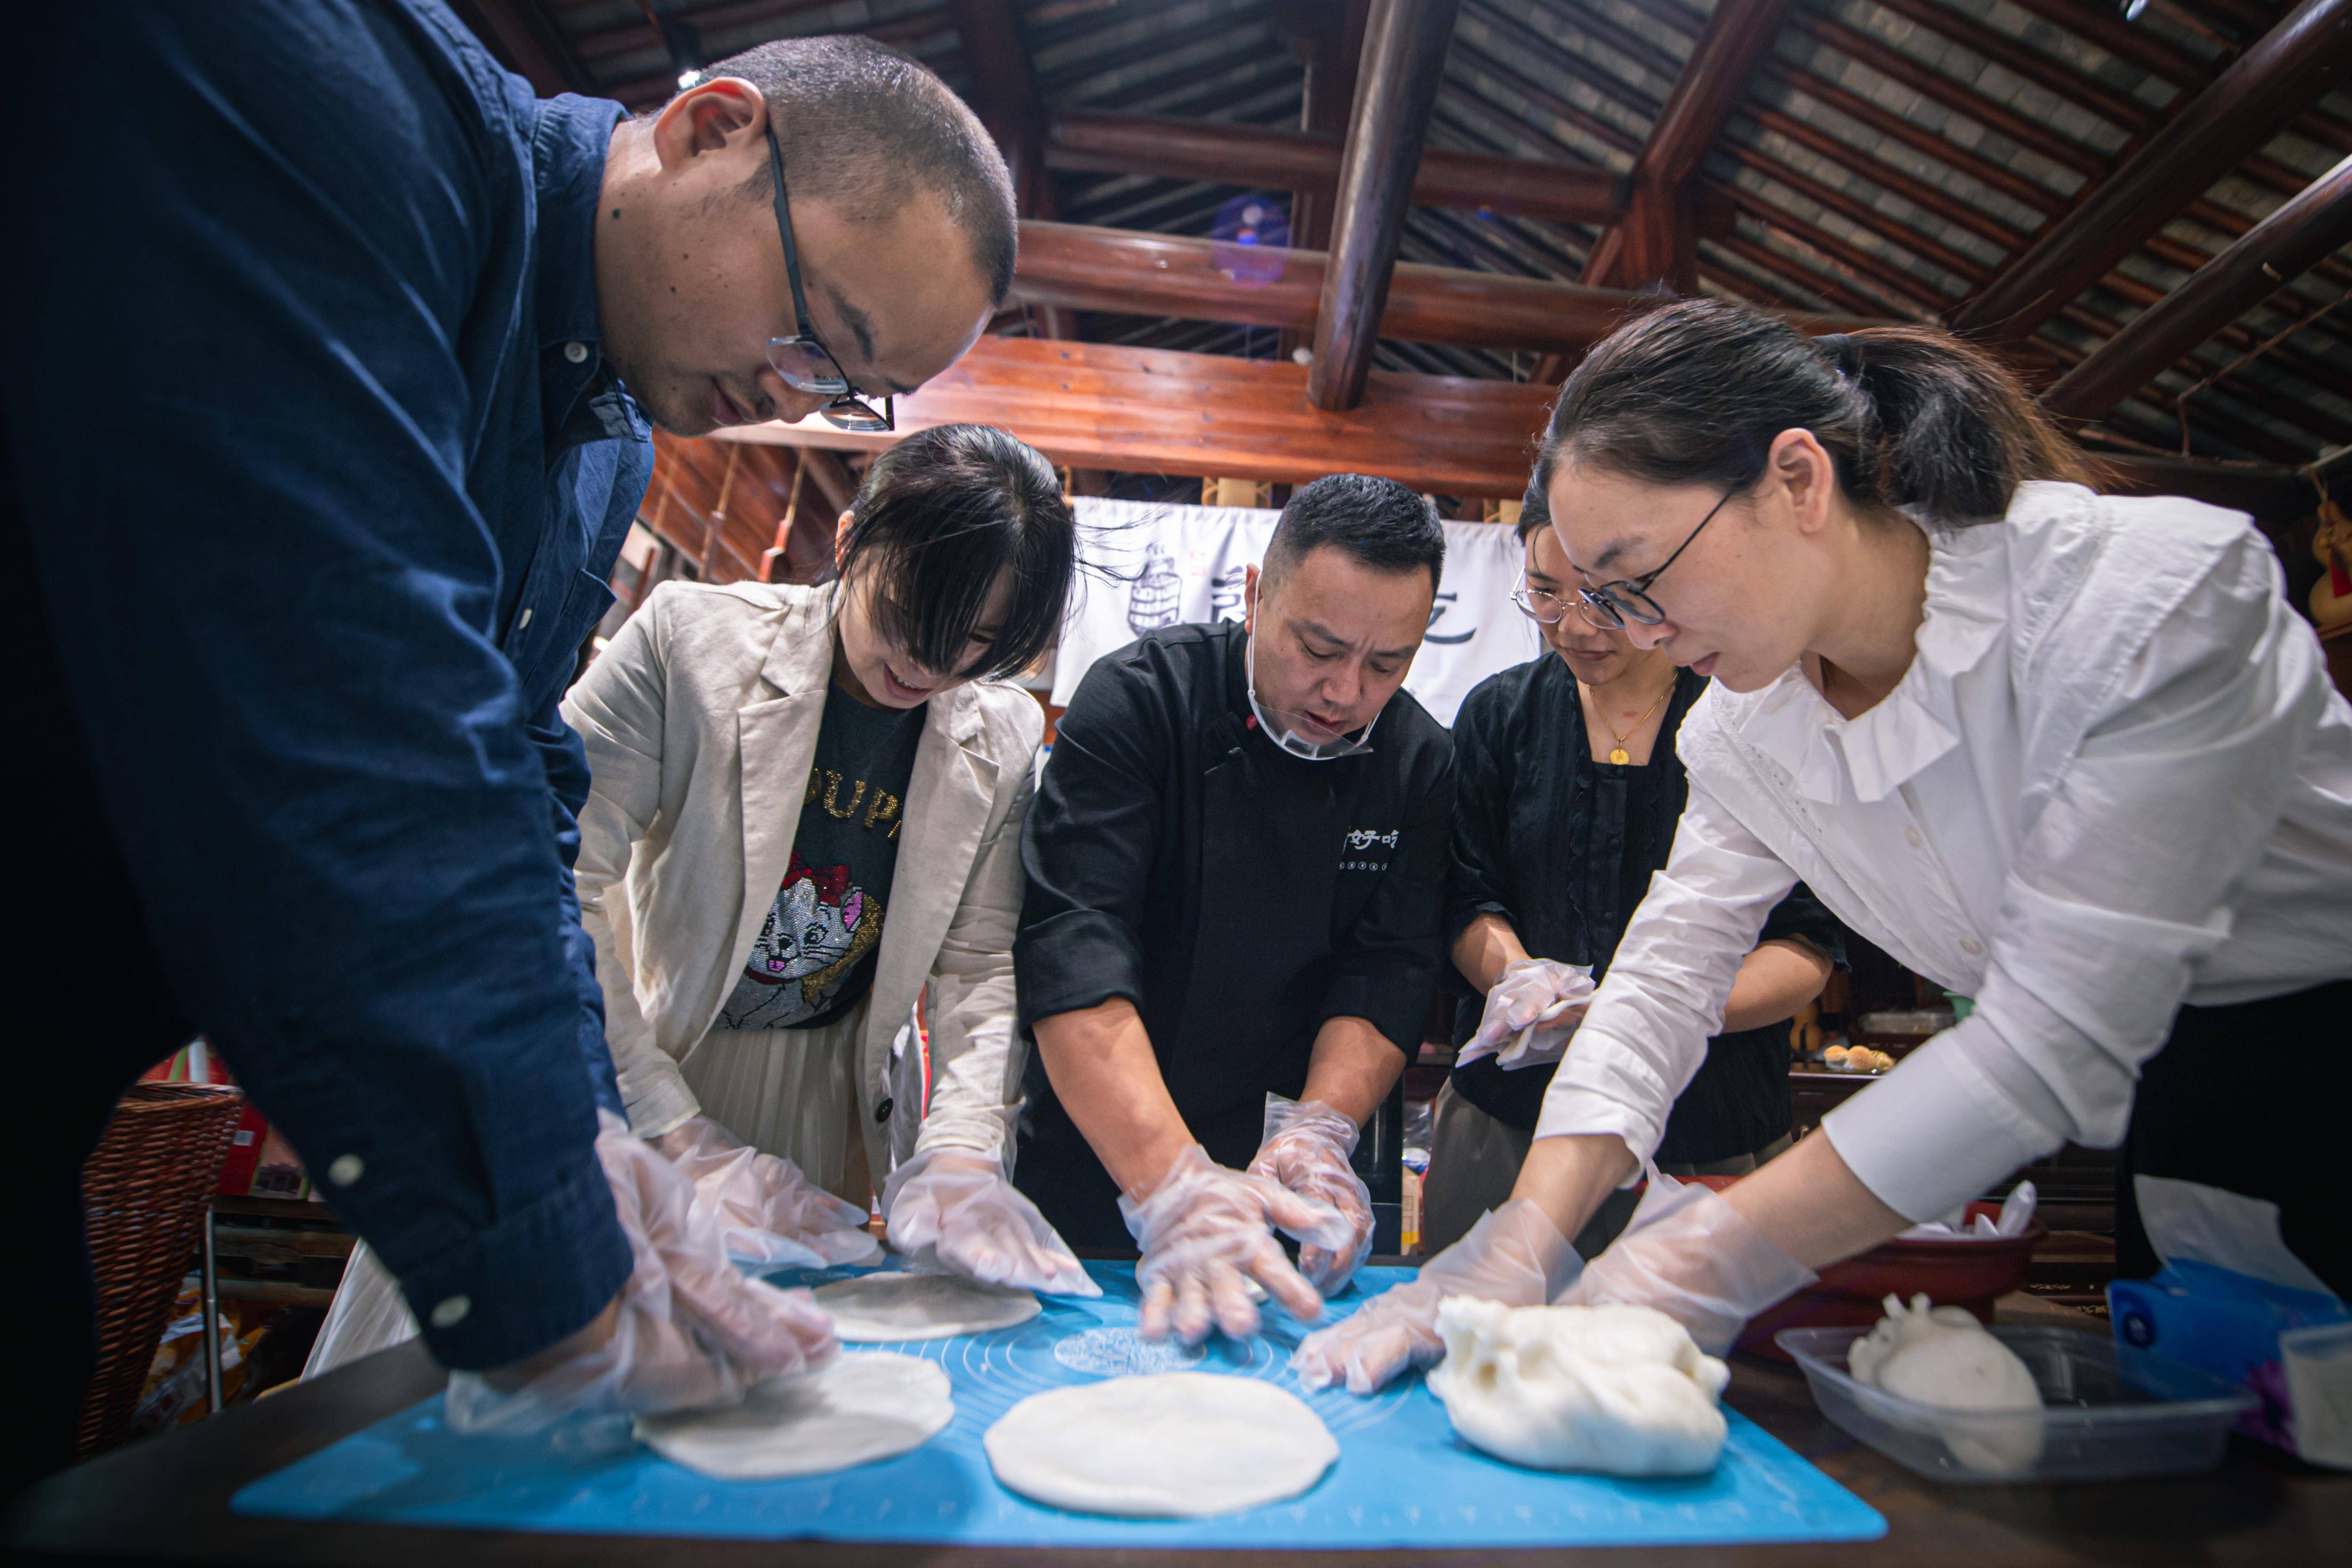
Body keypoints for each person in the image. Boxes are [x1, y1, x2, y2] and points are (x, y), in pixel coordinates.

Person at [5, 2, 1017, 1479]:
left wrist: (595, 1144)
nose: (793, 395)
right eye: (816, 329)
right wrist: (554, 1233)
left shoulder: (597, 443)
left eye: (844, 387)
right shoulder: (323, 98)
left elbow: (516, 783)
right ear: (711, 127)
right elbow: (357, 704)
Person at [1295, 298, 2352, 1394]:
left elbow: (2052, 1039)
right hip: (2168, 1081)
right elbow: (1661, 985)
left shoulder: (2144, 596)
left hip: (2318, 1036)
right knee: (2243, 1417)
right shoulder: (1753, 724)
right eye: (1599, 597)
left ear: (1796, 480)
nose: (1634, 631)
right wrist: (1524, 1239)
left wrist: (1687, 1261)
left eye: (1640, 578)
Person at [307, 423, 1095, 1374]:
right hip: (631, 1060)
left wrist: (965, 1153)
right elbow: (555, 874)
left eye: (971, 645)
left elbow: (975, 966)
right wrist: (670, 1133)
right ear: (849, 545)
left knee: (747, 1417)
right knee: (512, 1400)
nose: (926, 669)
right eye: (909, 617)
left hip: (814, 1117)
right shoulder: (688, 643)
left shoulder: (1001, 731)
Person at [1013, 474, 1458, 1347]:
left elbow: (1386, 971)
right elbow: (1076, 945)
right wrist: (1173, 1185)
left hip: (1279, 1172)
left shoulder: (1417, 761)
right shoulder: (1139, 700)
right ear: (1256, 596)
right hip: (1103, 1156)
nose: (1344, 693)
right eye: (1318, 648)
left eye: (1385, 663)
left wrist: (1322, 1129)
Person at [1426, 483, 1845, 1258]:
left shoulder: (1742, 719)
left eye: (1602, 597)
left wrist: (1633, 1009)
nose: (1575, 626)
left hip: (1704, 1134)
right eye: (1546, 594)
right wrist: (1521, 977)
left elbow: (1803, 949)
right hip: (1509, 1124)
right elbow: (1463, 893)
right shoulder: (1498, 716)